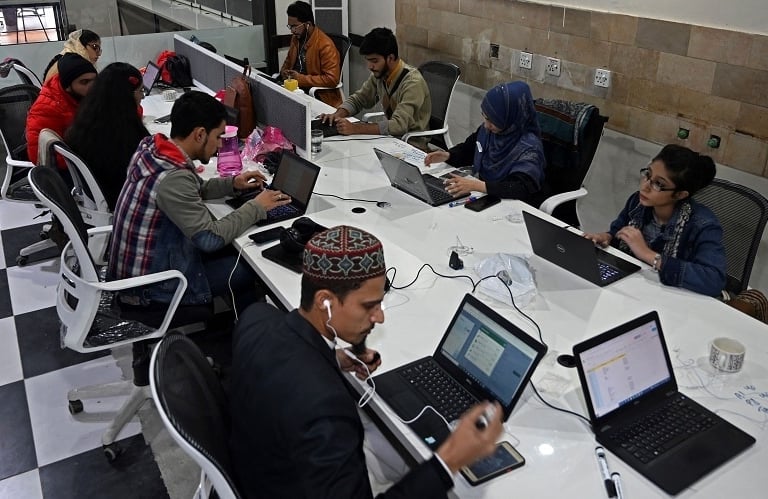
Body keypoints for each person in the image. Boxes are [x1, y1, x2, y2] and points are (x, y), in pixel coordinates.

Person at [230, 225, 502, 498]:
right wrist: (450, 460)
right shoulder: (325, 406)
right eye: (368, 305)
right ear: (325, 301)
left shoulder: (257, 317)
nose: (379, 317)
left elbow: (282, 363)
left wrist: (335, 359)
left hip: (255, 465)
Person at [107, 92, 293, 315]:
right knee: (253, 268)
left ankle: (243, 324)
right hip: (152, 291)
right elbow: (209, 239)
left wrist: (233, 184)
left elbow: (192, 189)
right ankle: (249, 329)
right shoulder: (174, 178)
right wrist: (257, 207)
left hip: (142, 273)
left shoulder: (153, 148)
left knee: (236, 254)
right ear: (200, 134)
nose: (220, 145)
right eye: (218, 136)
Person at [584, 144, 726, 297]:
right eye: (648, 174)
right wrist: (606, 237)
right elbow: (617, 232)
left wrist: (648, 254)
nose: (645, 186)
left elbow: (713, 280)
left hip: (673, 298)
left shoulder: (703, 225)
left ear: (680, 194)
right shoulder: (637, 203)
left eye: (658, 184)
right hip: (632, 288)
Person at [424, 81, 545, 202]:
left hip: (513, 203)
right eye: (485, 117)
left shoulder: (529, 148)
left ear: (509, 118)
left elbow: (519, 188)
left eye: (492, 120)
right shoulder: (490, 131)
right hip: (486, 195)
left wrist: (477, 185)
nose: (486, 125)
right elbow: (468, 150)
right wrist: (447, 155)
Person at [318, 27, 431, 149]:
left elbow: (399, 125)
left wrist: (355, 128)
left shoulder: (412, 82)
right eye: (368, 60)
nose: (370, 66)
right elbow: (359, 99)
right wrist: (338, 114)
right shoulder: (381, 75)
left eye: (374, 61)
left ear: (390, 58)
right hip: (390, 139)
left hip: (412, 145)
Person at [66, 62, 149, 210]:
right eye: (140, 90)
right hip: (123, 200)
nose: (142, 96)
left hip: (98, 194)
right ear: (126, 96)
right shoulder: (123, 134)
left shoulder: (87, 119)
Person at [26, 53, 97, 165]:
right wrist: (86, 159)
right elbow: (37, 154)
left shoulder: (81, 96)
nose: (92, 87)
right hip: (70, 169)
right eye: (84, 82)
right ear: (68, 86)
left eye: (95, 80)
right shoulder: (46, 108)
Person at [279, 1, 342, 107]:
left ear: (308, 25)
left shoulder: (325, 45)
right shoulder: (296, 39)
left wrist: (300, 79)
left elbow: (332, 79)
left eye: (295, 26)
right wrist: (284, 72)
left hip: (317, 95)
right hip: (296, 91)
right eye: (290, 26)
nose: (292, 31)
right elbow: (288, 62)